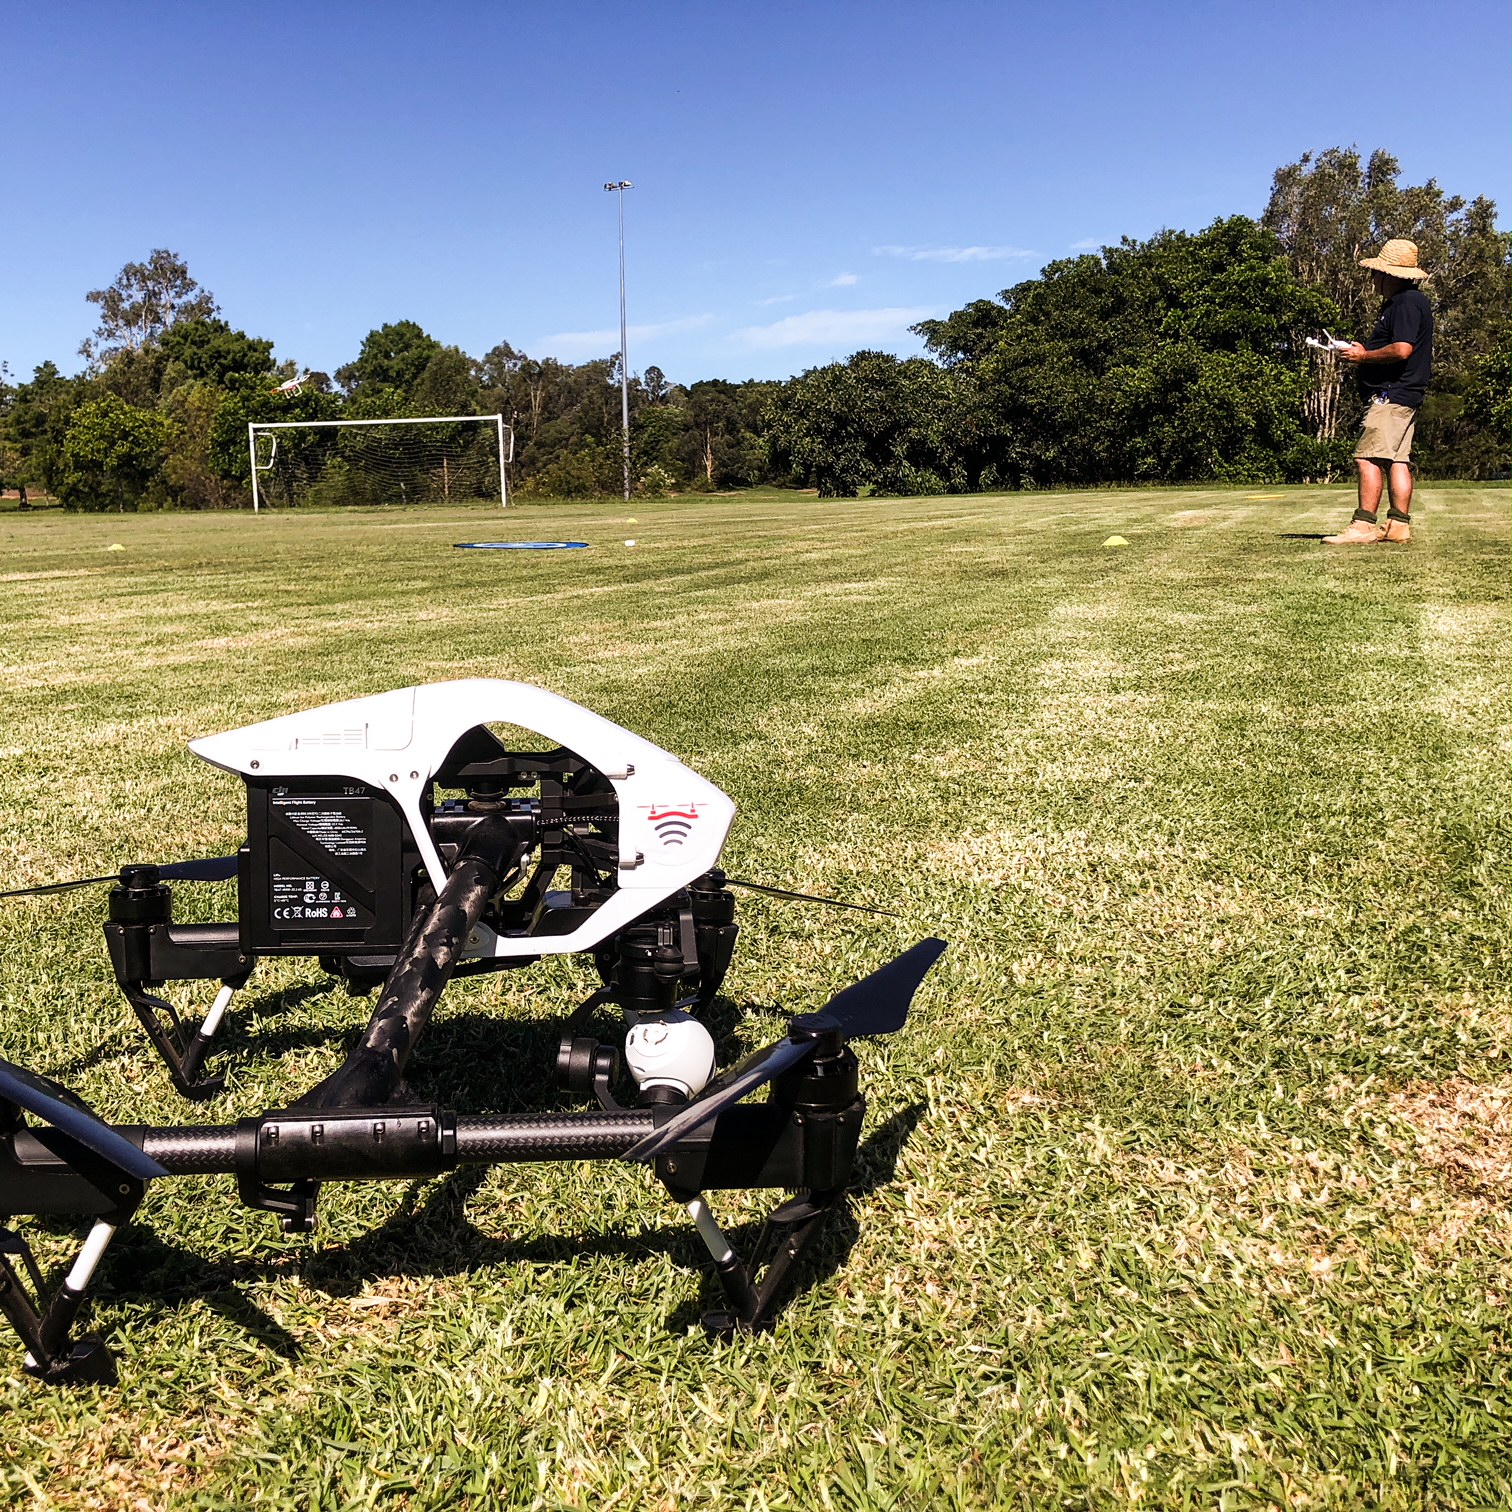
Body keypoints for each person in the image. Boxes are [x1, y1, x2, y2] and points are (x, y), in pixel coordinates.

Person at [1322, 239, 1433, 545]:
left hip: (1392, 394)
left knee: (1367, 458)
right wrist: (1363, 349)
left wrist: (1363, 357)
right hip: (1406, 394)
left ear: (1391, 275)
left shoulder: (1405, 303)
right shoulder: (1410, 303)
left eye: (1377, 274)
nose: (1373, 280)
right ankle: (1398, 525)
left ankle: (1363, 525)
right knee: (1398, 460)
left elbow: (1401, 349)